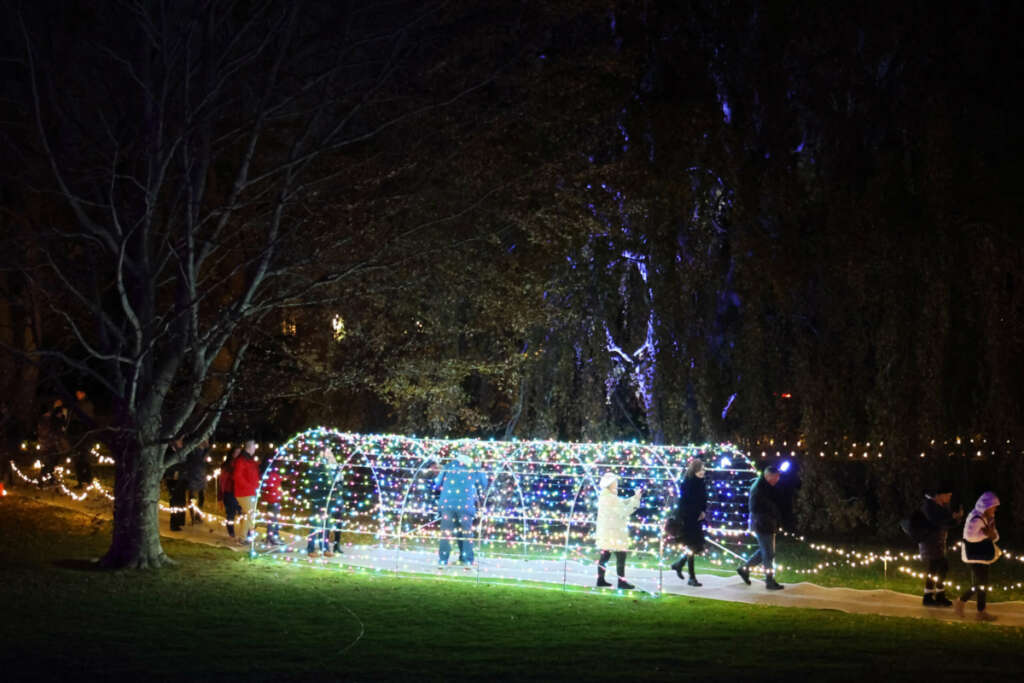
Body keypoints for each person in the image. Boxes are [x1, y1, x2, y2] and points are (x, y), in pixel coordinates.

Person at [434, 452, 489, 568]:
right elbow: (483, 485)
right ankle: (467, 560)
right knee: (466, 533)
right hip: (465, 505)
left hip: (447, 504)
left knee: (446, 533)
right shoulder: (474, 468)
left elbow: (437, 483)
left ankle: (442, 561)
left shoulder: (448, 467)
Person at [736, 465, 785, 590]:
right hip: (762, 524)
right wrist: (770, 512)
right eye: (776, 477)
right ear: (769, 476)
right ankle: (769, 581)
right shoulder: (758, 488)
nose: (777, 480)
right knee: (768, 554)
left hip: (767, 523)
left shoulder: (767, 487)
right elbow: (755, 508)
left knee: (766, 552)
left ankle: (744, 569)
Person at [955, 491, 1001, 622]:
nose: (995, 509)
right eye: (994, 506)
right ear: (987, 506)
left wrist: (991, 534)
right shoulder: (975, 518)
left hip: (983, 555)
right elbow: (970, 537)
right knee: (980, 583)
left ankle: (981, 612)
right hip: (973, 556)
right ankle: (961, 601)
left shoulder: (989, 518)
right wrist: (987, 535)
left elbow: (996, 537)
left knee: (983, 584)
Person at [917, 482, 963, 607]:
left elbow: (947, 523)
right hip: (930, 542)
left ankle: (936, 596)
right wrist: (951, 518)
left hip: (939, 541)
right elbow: (936, 522)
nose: (949, 498)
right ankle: (930, 597)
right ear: (940, 495)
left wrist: (956, 519)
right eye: (948, 495)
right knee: (937, 567)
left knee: (940, 568)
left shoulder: (942, 505)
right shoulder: (929, 506)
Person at [594, 472, 642, 590]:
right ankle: (621, 582)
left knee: (605, 556)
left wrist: (634, 498)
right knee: (621, 555)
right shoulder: (610, 498)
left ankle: (600, 580)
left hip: (606, 532)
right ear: (610, 484)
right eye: (615, 482)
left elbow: (622, 503)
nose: (617, 484)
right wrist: (636, 500)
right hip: (614, 532)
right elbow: (624, 511)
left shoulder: (605, 497)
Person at [670, 458, 707, 587]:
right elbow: (686, 502)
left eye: (704, 469)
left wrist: (703, 511)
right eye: (701, 468)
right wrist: (696, 513)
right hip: (688, 519)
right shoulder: (688, 483)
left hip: (697, 519)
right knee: (692, 547)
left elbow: (703, 499)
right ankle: (691, 577)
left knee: (696, 547)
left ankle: (679, 564)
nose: (703, 471)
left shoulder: (701, 482)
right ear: (695, 470)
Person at [232, 440, 260, 545]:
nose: (255, 448)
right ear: (249, 447)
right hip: (244, 493)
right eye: (254, 446)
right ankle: (243, 538)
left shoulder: (250, 460)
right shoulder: (242, 460)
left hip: (251, 492)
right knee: (250, 514)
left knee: (248, 515)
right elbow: (237, 476)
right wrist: (250, 487)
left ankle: (243, 537)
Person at [68, 390, 95, 488]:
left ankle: (88, 479)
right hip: (76, 434)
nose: (77, 395)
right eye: (77, 393)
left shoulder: (87, 405)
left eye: (79, 393)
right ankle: (80, 481)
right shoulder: (76, 404)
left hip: (84, 435)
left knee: (84, 459)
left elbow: (88, 419)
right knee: (78, 459)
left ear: (84, 393)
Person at [184, 439, 209, 525]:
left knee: (202, 497)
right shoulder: (193, 451)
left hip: (201, 475)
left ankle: (198, 515)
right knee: (192, 497)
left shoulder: (205, 451)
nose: (207, 441)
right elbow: (189, 462)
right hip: (193, 475)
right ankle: (192, 517)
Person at [164, 440, 187, 531]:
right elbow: (170, 466)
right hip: (173, 480)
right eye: (180, 441)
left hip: (181, 480)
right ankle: (174, 524)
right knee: (174, 502)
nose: (181, 443)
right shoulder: (170, 453)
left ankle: (179, 521)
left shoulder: (180, 452)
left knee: (181, 502)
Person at [218, 447, 241, 538]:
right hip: (229, 492)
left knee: (242, 512)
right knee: (231, 513)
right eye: (236, 452)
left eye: (240, 453)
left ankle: (246, 533)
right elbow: (223, 481)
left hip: (239, 492)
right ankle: (231, 532)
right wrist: (220, 496)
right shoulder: (227, 465)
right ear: (232, 454)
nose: (238, 455)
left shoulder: (240, 464)